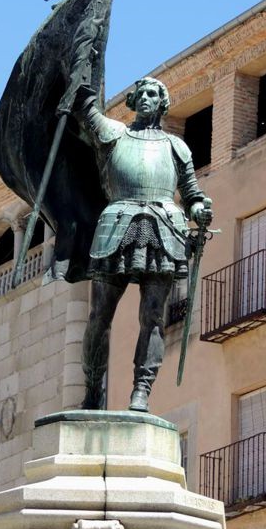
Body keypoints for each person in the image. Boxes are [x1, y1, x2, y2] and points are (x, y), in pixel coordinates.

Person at [73, 77, 213, 411]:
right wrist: (83, 62)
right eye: (142, 94)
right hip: (117, 224)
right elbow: (84, 109)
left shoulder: (176, 148)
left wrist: (201, 209)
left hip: (164, 227)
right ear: (133, 101)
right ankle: (93, 387)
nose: (148, 98)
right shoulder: (114, 135)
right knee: (99, 315)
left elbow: (192, 195)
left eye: (155, 94)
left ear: (163, 104)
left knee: (152, 316)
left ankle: (142, 390)